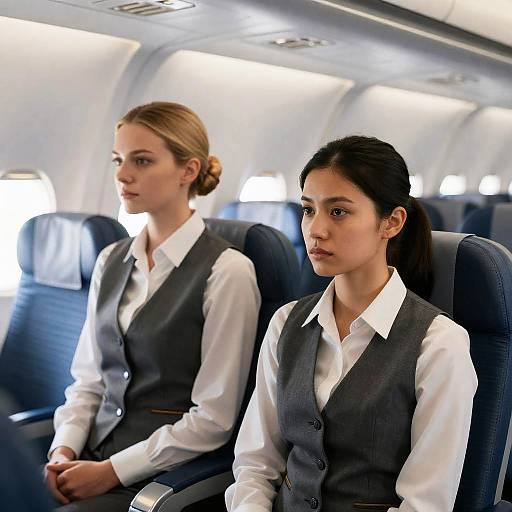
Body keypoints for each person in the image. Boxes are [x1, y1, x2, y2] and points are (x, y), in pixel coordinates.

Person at [225, 136, 478, 512]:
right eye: (308, 210)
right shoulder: (286, 324)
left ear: (391, 222)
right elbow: (255, 464)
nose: (315, 229)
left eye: (338, 212)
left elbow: (425, 504)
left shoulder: (439, 344)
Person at [44, 101, 261, 511]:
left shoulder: (228, 271)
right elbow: (89, 381)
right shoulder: (111, 259)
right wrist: (63, 452)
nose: (123, 175)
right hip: (87, 461)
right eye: (118, 160)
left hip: (153, 482)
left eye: (141, 161)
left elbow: (213, 420)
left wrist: (112, 471)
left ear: (188, 170)